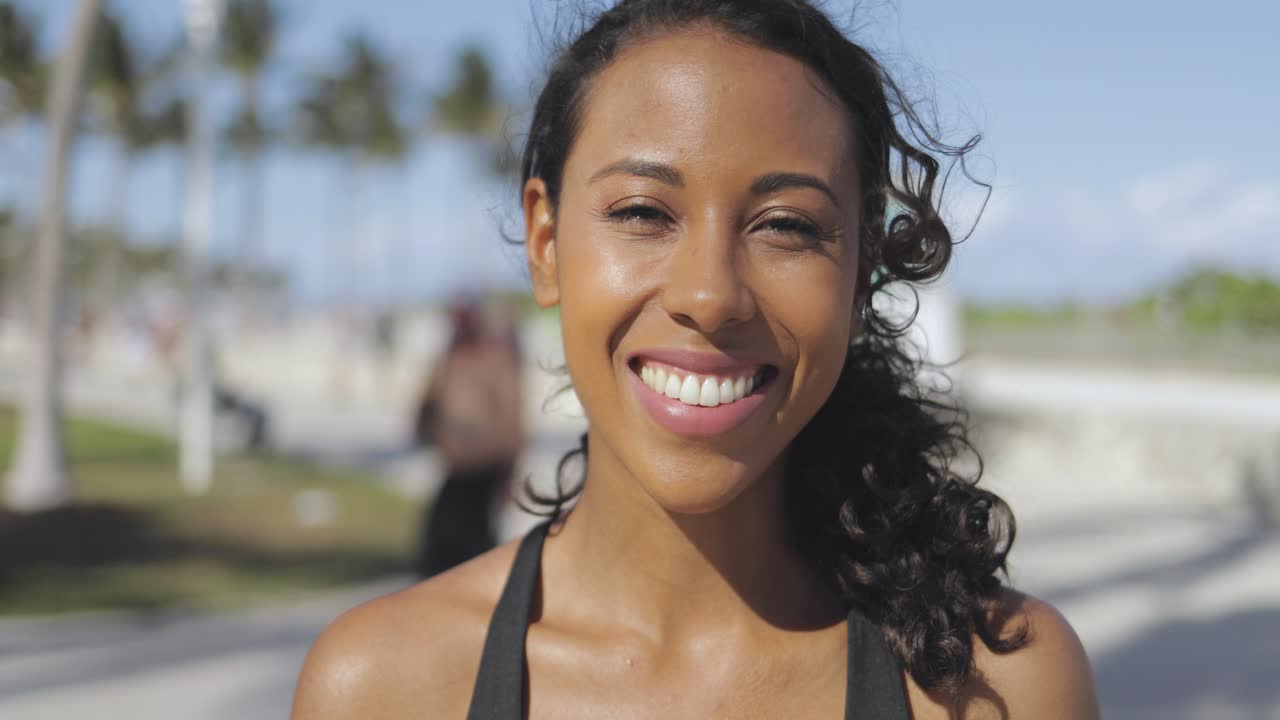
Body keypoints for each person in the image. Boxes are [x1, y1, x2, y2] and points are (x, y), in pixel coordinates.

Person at [292, 1, 1100, 717]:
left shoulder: (999, 687)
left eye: (787, 225)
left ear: (860, 276)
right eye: (643, 212)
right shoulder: (381, 688)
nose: (710, 295)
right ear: (545, 243)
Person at [412, 300, 524, 578]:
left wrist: (509, 472)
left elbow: (513, 419)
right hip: (456, 469)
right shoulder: (449, 360)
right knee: (439, 545)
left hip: (485, 470)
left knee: (475, 548)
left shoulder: (493, 360)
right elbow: (425, 407)